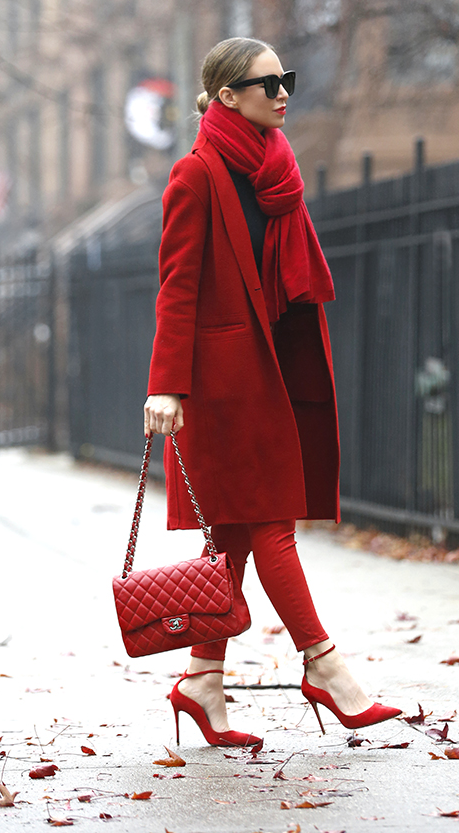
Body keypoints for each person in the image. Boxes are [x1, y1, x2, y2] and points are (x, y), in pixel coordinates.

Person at [143, 37, 401, 750]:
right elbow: (177, 287)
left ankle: (201, 682)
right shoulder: (196, 175)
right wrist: (165, 385)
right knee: (272, 524)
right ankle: (325, 666)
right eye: (269, 83)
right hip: (222, 386)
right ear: (227, 95)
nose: (284, 92)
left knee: (230, 536)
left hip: (275, 370)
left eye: (287, 79)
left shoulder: (275, 169)